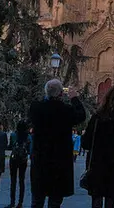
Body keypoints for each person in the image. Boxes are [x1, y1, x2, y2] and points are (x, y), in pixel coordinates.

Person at [29, 79, 86, 208]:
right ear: (61, 94)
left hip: (40, 160)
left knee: (37, 200)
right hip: (59, 162)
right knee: (55, 201)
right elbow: (82, 115)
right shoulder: (66, 111)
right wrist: (74, 98)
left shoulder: (36, 108)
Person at [81, 85, 114, 208]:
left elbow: (86, 143)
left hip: (96, 163)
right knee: (111, 199)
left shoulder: (97, 118)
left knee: (96, 198)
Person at [7, 120, 32, 208]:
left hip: (14, 158)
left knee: (13, 181)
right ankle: (20, 202)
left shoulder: (14, 135)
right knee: (22, 181)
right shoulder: (28, 137)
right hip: (23, 160)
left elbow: (10, 146)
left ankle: (12, 202)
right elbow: (30, 150)